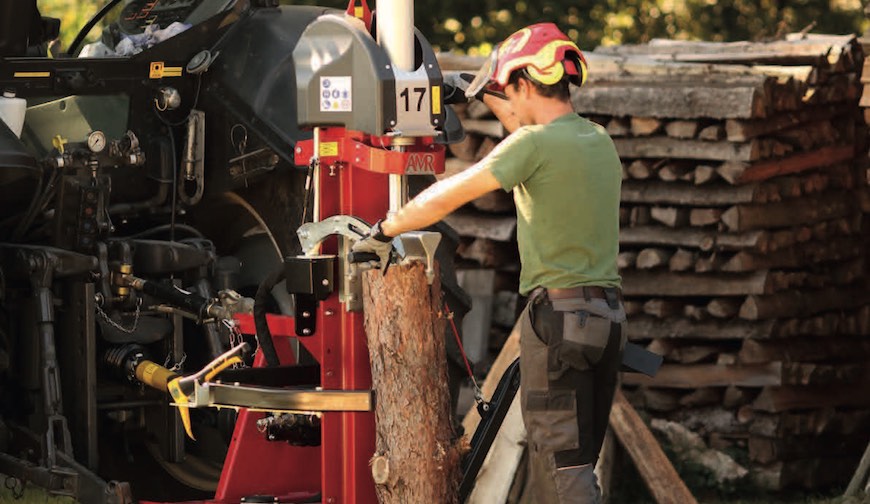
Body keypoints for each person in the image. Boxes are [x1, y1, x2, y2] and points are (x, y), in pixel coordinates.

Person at [354, 22, 626, 504]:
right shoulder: (596, 140)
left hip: (560, 323)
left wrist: (385, 230)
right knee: (578, 464)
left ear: (523, 84)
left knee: (562, 473)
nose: (510, 105)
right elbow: (531, 130)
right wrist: (480, 94)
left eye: (510, 91)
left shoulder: (532, 147)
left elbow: (449, 194)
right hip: (606, 321)